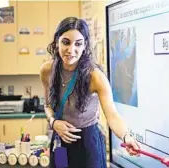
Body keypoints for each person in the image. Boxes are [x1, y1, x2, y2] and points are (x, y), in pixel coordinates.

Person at [40, 17, 140, 168]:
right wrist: (54, 123)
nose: (71, 50)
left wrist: (126, 137)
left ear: (85, 45)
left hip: (87, 144)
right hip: (59, 142)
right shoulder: (47, 70)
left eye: (78, 44)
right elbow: (47, 105)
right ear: (57, 41)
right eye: (66, 42)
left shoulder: (95, 77)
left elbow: (112, 115)